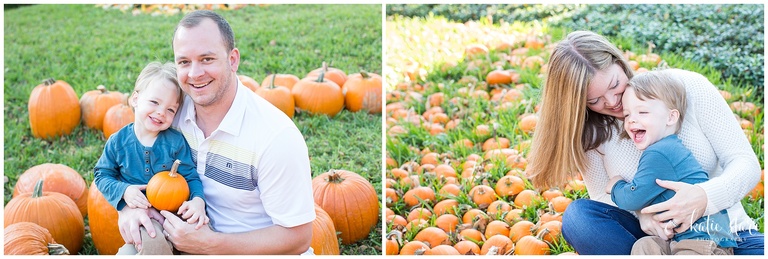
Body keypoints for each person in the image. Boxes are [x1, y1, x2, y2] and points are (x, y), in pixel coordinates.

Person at [525, 30, 763, 255]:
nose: (612, 102)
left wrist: (705, 197)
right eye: (595, 100)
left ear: (619, 62)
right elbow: (603, 198)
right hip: (651, 242)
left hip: (722, 235)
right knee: (579, 218)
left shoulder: (687, 87)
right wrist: (644, 216)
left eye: (615, 85)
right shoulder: (593, 134)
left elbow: (745, 163)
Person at [115, 10, 316, 255]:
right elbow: (121, 161)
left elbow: (298, 238)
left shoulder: (276, 136)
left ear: (233, 60)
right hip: (179, 242)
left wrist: (209, 244)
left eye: (207, 59)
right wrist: (126, 208)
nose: (195, 74)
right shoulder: (169, 113)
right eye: (184, 62)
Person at [605, 69, 736, 255]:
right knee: (644, 246)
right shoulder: (666, 147)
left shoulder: (660, 153)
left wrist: (616, 185)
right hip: (681, 239)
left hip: (703, 237)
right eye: (627, 115)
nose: (632, 119)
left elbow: (633, 197)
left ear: (671, 117)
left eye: (642, 112)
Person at [94, 61, 208, 255]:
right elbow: (102, 175)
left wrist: (198, 201)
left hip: (176, 213)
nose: (161, 112)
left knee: (201, 235)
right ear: (135, 99)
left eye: (171, 109)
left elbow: (190, 176)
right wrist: (124, 191)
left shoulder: (175, 142)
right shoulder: (118, 142)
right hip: (144, 218)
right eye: (154, 102)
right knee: (153, 242)